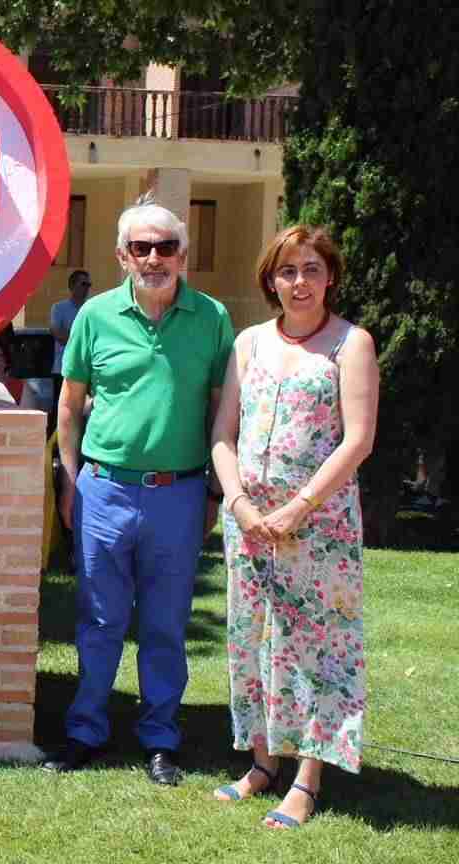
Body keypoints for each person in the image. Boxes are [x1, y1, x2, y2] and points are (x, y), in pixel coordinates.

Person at [44, 195, 234, 786]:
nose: (155, 258)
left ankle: (159, 738)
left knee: (165, 624)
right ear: (122, 255)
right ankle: (85, 730)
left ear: (183, 255)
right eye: (141, 247)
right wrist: (69, 480)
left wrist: (213, 493)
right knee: (99, 620)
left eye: (166, 247)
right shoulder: (94, 316)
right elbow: (69, 406)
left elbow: (221, 413)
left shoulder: (212, 318)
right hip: (103, 491)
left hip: (179, 494)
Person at [210, 226, 378, 829]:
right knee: (251, 639)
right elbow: (223, 433)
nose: (299, 282)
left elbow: (358, 439)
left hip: (319, 527)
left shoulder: (351, 344)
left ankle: (307, 778)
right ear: (271, 280)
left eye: (311, 269)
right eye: (287, 271)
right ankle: (262, 762)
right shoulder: (249, 342)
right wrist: (238, 503)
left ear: (329, 278)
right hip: (250, 526)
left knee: (318, 647)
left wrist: (298, 507)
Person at [50, 269, 91, 413]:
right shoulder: (59, 308)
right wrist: (84, 339)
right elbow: (58, 334)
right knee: (62, 410)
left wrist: (73, 336)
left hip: (86, 370)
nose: (87, 288)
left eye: (88, 285)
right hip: (62, 368)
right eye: (83, 284)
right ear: (72, 286)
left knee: (84, 411)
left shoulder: (91, 309)